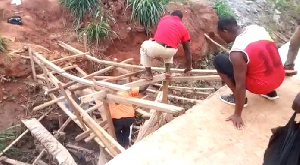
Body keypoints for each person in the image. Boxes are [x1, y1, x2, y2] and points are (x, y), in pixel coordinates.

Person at [213, 17, 285, 129]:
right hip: (279, 77)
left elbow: (240, 85)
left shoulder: (237, 52)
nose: (221, 38)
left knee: (219, 60)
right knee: (254, 60)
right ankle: (270, 92)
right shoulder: (256, 29)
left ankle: (237, 98)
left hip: (260, 86)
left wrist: (237, 114)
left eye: (220, 34)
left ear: (225, 31)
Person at [140, 10, 192, 81]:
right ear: (181, 19)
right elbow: (187, 50)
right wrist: (189, 66)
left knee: (143, 48)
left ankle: (148, 74)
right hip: (171, 51)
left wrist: (154, 40)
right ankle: (168, 72)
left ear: (171, 15)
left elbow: (161, 31)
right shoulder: (184, 28)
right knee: (170, 51)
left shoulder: (165, 18)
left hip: (157, 47)